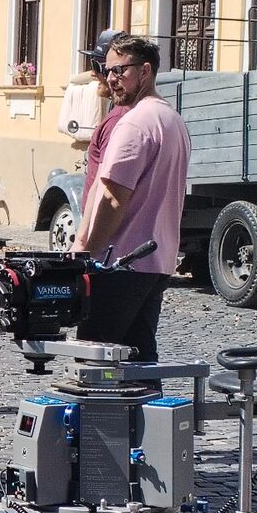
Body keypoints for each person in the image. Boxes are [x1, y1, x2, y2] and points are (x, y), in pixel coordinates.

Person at [72, 34, 190, 364]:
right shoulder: (172, 120)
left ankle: (97, 417)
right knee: (139, 361)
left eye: (120, 70)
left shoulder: (134, 123)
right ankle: (147, 415)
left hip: (120, 263)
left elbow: (112, 197)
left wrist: (87, 251)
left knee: (95, 361)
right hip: (157, 261)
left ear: (145, 71)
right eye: (107, 70)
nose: (111, 79)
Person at [76, 28, 125, 210]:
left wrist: (87, 235)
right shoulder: (117, 110)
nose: (92, 73)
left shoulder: (120, 120)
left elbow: (108, 184)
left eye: (96, 66)